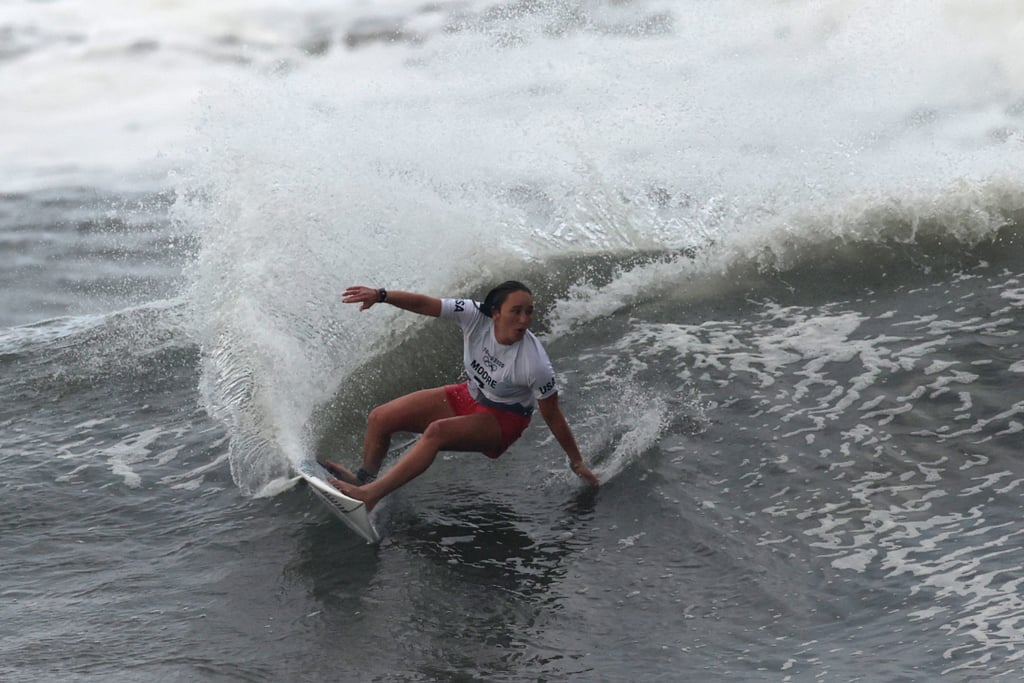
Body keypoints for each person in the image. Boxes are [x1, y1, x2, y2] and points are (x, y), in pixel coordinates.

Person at [322, 281, 599, 511]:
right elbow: (426, 304)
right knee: (381, 418)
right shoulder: (473, 315)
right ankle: (362, 480)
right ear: (495, 312)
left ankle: (371, 495)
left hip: (504, 419)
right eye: (516, 311)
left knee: (437, 432)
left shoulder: (534, 363)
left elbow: (552, 414)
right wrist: (381, 296)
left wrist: (576, 461)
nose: (524, 320)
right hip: (469, 394)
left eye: (529, 312)